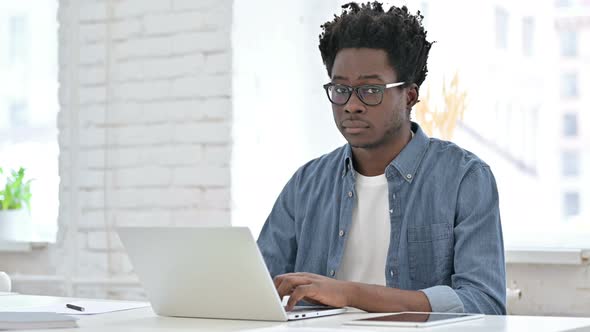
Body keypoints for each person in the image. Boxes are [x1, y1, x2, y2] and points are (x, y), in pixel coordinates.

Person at [257, 1, 506, 315]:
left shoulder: (464, 178)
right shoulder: (306, 183)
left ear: (410, 96)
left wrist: (348, 293)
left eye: (370, 90)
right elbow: (256, 288)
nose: (351, 105)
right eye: (340, 89)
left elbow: (485, 304)